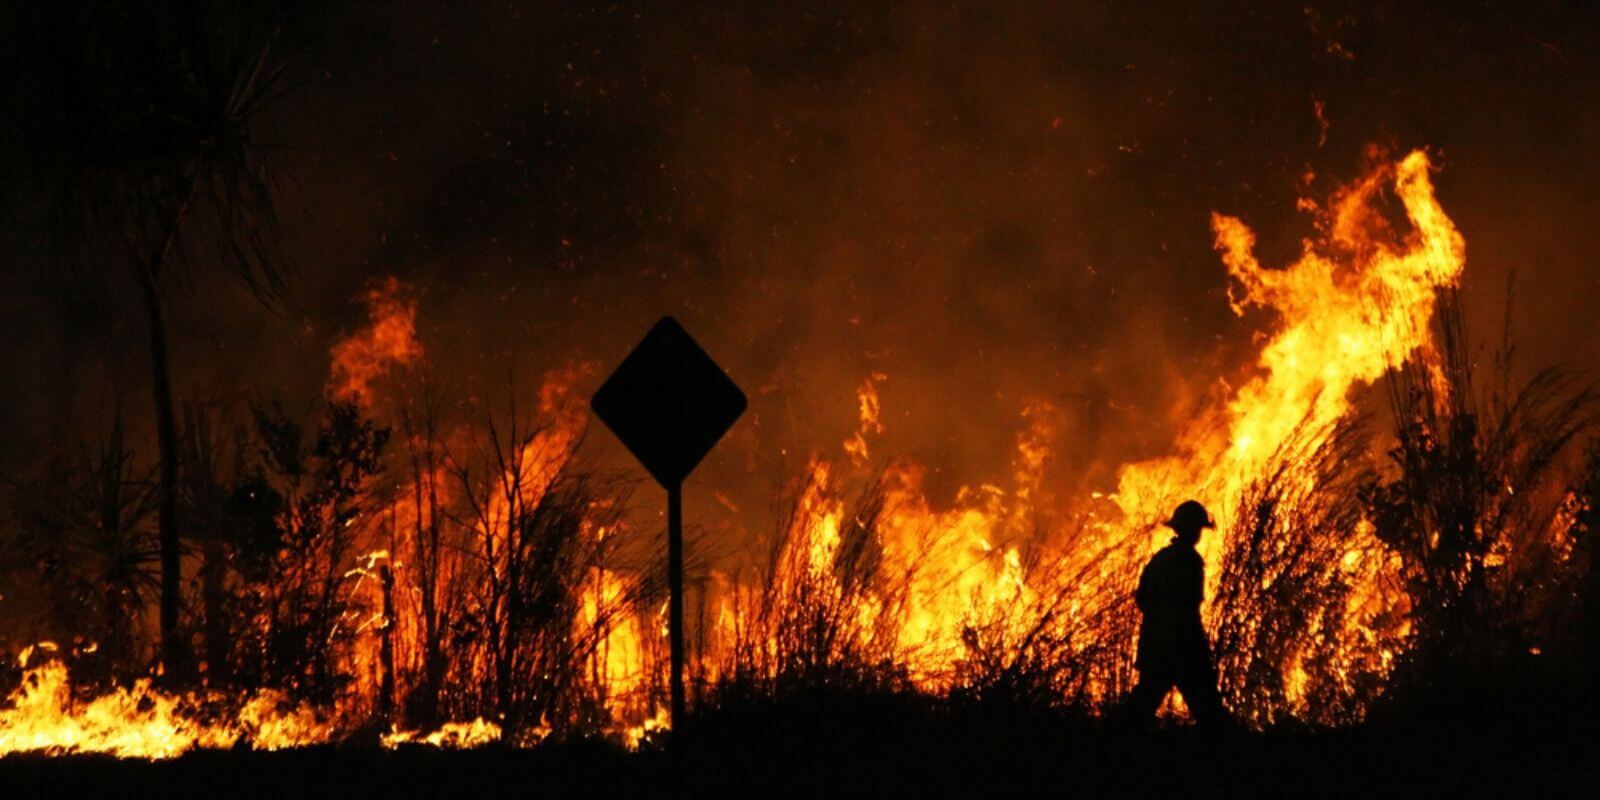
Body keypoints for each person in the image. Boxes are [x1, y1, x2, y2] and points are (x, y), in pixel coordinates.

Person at [1125, 499, 1231, 727]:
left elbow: (1141, 598)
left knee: (1141, 705)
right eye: (1198, 529)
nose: (1199, 534)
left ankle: (1108, 743)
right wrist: (1197, 648)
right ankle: (1232, 754)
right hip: (1182, 649)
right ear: (1193, 530)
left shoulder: (1160, 559)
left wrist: (1157, 625)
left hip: (1155, 645)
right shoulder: (1190, 561)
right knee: (1209, 710)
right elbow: (1188, 609)